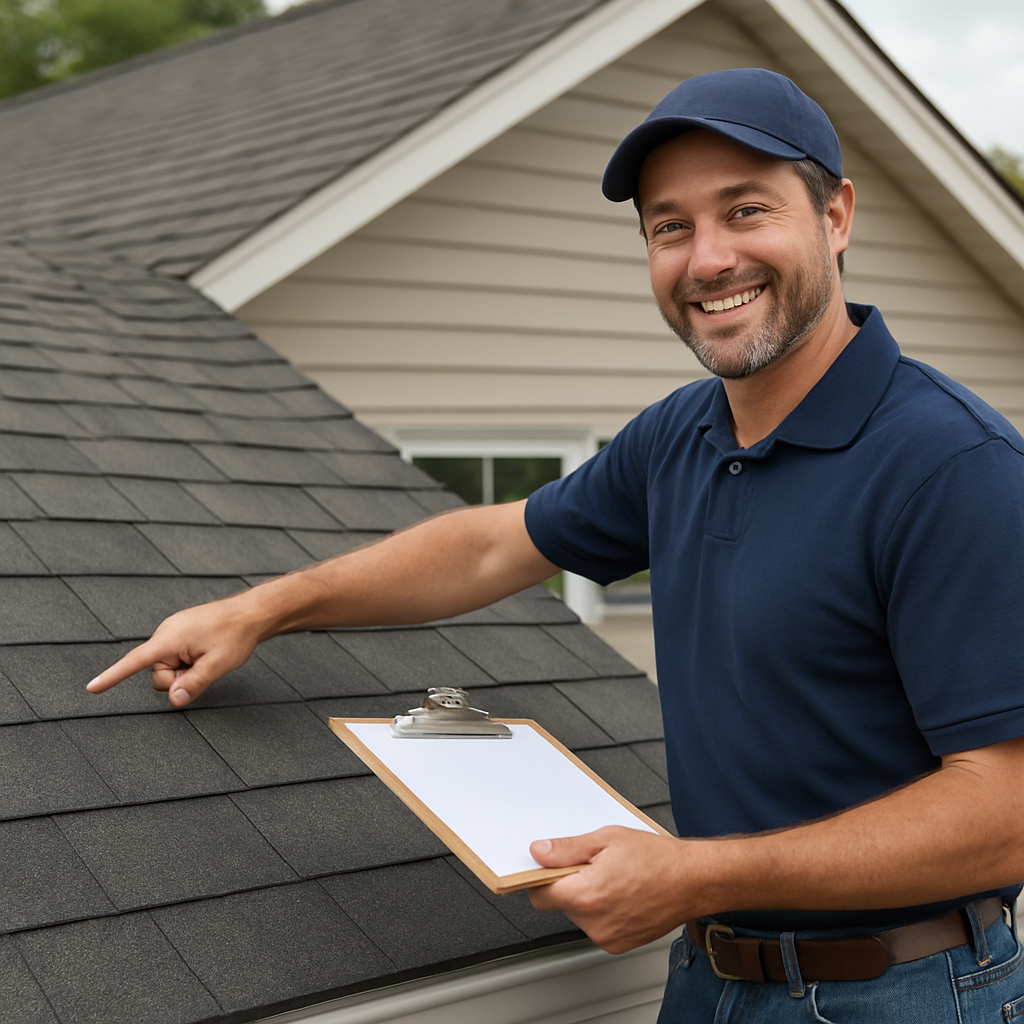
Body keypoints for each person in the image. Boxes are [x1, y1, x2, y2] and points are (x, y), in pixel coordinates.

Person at [88, 68, 1024, 1021]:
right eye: (670, 227)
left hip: (905, 990)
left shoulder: (953, 466)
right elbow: (496, 545)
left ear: (836, 217)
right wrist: (263, 607)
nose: (707, 260)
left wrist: (693, 874)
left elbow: (1007, 813)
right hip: (711, 978)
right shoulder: (681, 435)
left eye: (747, 210)